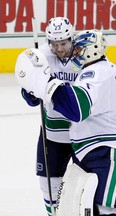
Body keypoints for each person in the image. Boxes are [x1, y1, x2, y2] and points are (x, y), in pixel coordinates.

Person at [15, 29, 116, 215]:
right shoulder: (108, 70)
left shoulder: (96, 73)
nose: (74, 53)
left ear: (92, 50)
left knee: (103, 209)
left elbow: (76, 110)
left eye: (78, 50)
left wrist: (45, 83)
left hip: (109, 150)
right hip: (95, 149)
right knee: (88, 207)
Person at [20, 17, 77, 215]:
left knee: (87, 183)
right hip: (52, 134)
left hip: (82, 132)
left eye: (63, 43)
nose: (59, 48)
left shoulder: (85, 54)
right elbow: (27, 84)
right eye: (55, 43)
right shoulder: (40, 56)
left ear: (71, 38)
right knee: (49, 186)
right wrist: (31, 92)